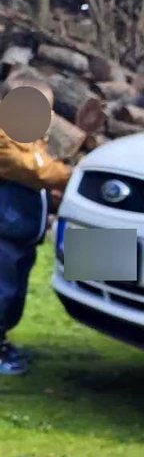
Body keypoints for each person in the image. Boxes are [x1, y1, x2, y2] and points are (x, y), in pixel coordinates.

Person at [0, 76, 71, 375]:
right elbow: (35, 171)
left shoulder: (32, 144)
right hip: (4, 234)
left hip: (23, 236)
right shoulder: (5, 143)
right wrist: (71, 175)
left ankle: (2, 342)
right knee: (2, 291)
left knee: (14, 293)